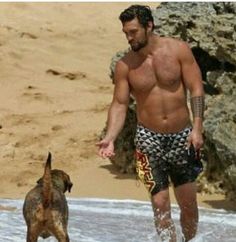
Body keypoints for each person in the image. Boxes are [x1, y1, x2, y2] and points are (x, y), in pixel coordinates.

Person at [97, 5, 204, 242]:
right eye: (126, 32)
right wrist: (111, 137)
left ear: (149, 26)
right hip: (148, 139)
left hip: (182, 137)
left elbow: (196, 88)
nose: (129, 37)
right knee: (159, 202)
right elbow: (119, 103)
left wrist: (197, 128)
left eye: (133, 31)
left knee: (188, 203)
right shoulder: (125, 66)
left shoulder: (178, 51)